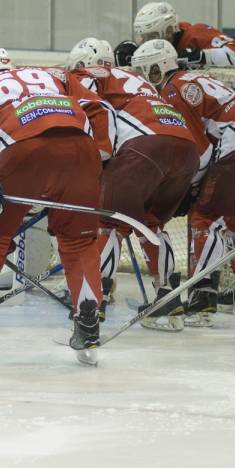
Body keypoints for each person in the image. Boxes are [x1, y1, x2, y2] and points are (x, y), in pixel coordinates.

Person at [0, 48, 112, 368]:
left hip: (22, 147)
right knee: (78, 240)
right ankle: (88, 325)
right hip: (81, 146)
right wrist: (102, 154)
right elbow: (98, 106)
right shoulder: (52, 76)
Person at [131, 38, 235, 323]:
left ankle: (203, 295)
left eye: (149, 71)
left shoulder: (173, 90)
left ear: (162, 66)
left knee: (204, 216)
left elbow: (199, 151)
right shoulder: (191, 79)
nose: (146, 79)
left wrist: (187, 186)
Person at [70, 37, 199, 331]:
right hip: (186, 147)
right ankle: (168, 299)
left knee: (108, 221)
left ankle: (94, 302)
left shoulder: (86, 75)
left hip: (144, 146)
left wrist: (97, 159)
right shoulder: (135, 77)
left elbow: (95, 111)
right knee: (151, 224)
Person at [118, 2, 235, 68]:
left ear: (168, 31)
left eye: (151, 37)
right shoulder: (166, 48)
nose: (144, 44)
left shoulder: (196, 34)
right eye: (142, 37)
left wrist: (200, 56)